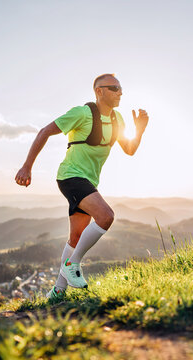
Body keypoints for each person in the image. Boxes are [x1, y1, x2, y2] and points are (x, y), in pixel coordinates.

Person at [15, 74, 149, 300]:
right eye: (114, 88)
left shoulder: (118, 119)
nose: (120, 93)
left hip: (88, 181)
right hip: (70, 177)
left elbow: (129, 149)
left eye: (121, 88)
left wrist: (140, 130)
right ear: (99, 91)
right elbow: (45, 131)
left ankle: (58, 291)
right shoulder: (82, 113)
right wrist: (27, 167)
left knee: (76, 237)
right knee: (106, 217)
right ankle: (73, 263)